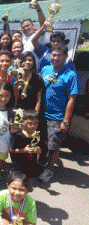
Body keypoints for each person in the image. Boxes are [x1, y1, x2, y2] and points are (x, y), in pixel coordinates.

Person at [39, 45, 78, 182]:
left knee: (53, 146)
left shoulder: (70, 75)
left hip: (57, 117)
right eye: (53, 55)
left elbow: (72, 99)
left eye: (59, 55)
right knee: (42, 143)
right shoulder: (45, 69)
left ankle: (49, 170)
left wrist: (66, 121)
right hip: (42, 114)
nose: (55, 58)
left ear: (65, 57)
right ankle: (41, 165)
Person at [10, 110, 44, 178]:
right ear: (22, 122)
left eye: (36, 123)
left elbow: (42, 149)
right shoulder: (18, 135)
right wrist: (24, 150)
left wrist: (39, 150)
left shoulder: (37, 135)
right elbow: (11, 150)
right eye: (30, 123)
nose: (33, 126)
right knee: (19, 181)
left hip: (32, 165)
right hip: (18, 166)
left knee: (29, 181)